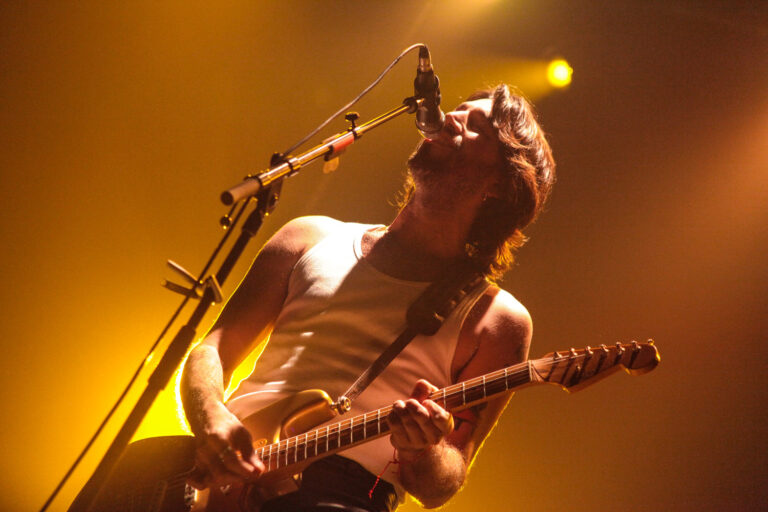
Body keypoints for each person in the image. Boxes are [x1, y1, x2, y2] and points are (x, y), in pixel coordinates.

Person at [180, 84, 555, 511]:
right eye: (458, 109)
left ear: (502, 184)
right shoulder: (308, 237)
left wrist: (422, 450)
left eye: (478, 128)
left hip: (345, 494)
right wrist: (212, 417)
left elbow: (443, 484)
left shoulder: (496, 319)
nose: (452, 118)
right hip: (215, 479)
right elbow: (212, 349)